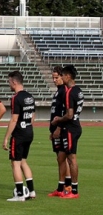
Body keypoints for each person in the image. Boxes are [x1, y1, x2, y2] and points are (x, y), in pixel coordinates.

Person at [3, 70, 36, 202]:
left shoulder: (16, 98)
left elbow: (14, 119)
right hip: (29, 131)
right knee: (23, 161)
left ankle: (20, 194)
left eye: (9, 82)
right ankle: (31, 191)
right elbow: (33, 116)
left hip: (19, 134)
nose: (9, 85)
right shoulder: (30, 96)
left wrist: (6, 137)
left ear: (14, 82)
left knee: (15, 163)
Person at [51, 64, 83, 199]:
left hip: (70, 128)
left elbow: (69, 115)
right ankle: (61, 188)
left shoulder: (70, 91)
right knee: (61, 157)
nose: (61, 78)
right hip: (70, 127)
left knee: (72, 159)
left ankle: (74, 191)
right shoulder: (78, 90)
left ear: (68, 76)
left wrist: (58, 120)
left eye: (62, 75)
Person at [48, 66, 72, 197]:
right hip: (56, 130)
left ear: (63, 76)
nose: (54, 80)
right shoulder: (58, 91)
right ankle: (61, 187)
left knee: (63, 158)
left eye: (56, 77)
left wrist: (58, 128)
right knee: (59, 159)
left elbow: (64, 113)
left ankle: (66, 187)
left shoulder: (64, 91)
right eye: (53, 77)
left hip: (62, 130)